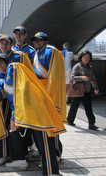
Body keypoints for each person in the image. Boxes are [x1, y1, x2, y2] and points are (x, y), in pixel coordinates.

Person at [31, 31, 66, 162]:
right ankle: (43, 152)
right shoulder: (36, 53)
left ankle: (56, 153)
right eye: (35, 40)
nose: (36, 42)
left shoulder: (51, 51)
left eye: (39, 40)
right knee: (41, 126)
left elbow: (54, 76)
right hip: (38, 92)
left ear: (46, 41)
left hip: (48, 93)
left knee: (52, 126)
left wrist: (50, 97)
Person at [67, 50, 99, 130]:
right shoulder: (77, 66)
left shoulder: (90, 67)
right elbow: (72, 77)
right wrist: (81, 78)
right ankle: (70, 120)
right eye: (85, 57)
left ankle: (91, 124)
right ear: (81, 57)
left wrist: (96, 88)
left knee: (88, 107)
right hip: (78, 88)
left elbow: (93, 78)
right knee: (74, 106)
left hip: (87, 90)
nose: (86, 59)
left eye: (88, 57)